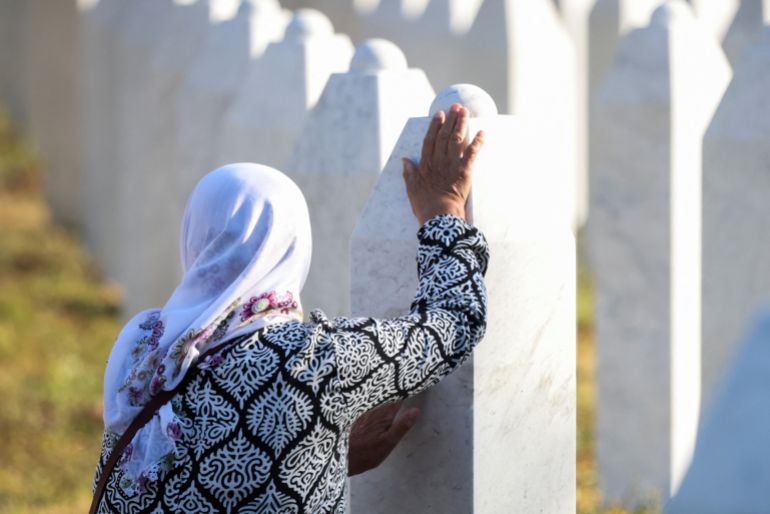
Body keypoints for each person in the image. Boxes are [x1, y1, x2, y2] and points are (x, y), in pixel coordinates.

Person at [92, 104, 488, 512]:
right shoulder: (311, 361)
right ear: (293, 247)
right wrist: (444, 209)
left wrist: (313, 458)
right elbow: (453, 326)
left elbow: (186, 480)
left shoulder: (141, 348)